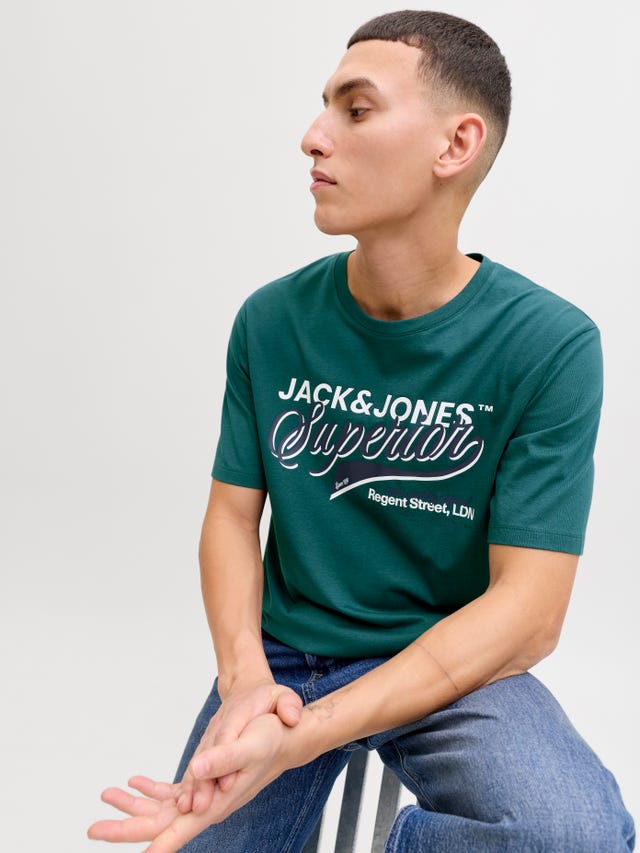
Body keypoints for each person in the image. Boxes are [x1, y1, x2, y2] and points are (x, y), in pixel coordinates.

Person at [88, 10, 635, 852]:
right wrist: (245, 683)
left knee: (573, 835)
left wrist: (309, 734)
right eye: (323, 108)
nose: (313, 137)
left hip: (450, 663)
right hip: (285, 655)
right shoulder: (272, 320)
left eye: (357, 108)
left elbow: (529, 612)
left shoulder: (548, 344)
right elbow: (231, 515)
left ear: (455, 144)